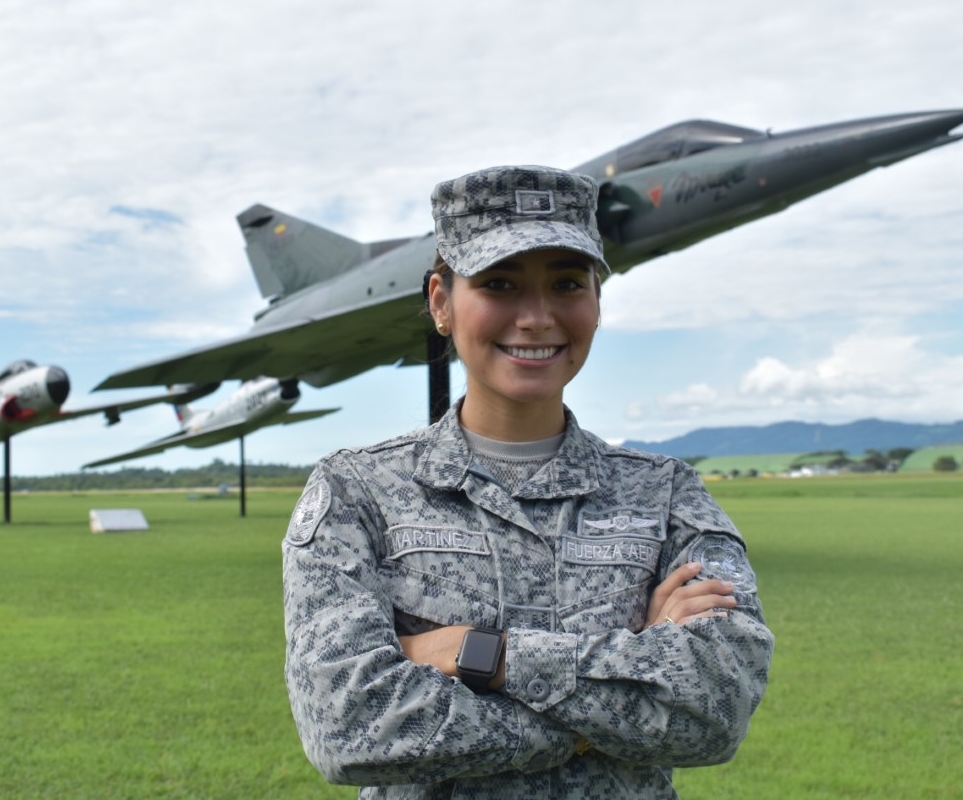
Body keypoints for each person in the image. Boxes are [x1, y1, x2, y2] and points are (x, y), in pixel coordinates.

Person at [282, 165, 773, 799]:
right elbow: (348, 727)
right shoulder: (357, 492)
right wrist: (622, 690)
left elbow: (716, 709)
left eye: (567, 283)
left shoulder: (666, 496)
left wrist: (476, 652)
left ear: (597, 301)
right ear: (440, 302)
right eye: (499, 283)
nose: (537, 317)